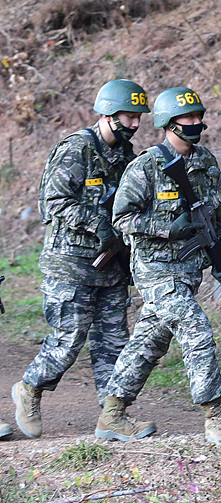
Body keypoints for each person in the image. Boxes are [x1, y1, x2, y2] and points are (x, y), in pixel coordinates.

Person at [97, 87, 221, 445]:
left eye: (197, 117)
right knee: (195, 327)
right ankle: (215, 417)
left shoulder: (206, 162)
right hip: (155, 270)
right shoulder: (146, 166)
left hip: (189, 271)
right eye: (186, 119)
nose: (195, 124)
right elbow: (121, 219)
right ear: (167, 123)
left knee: (148, 342)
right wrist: (166, 229)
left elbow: (215, 216)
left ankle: (112, 415)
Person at [11, 80, 149, 439]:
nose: (134, 124)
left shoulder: (127, 158)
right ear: (107, 113)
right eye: (128, 116)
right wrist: (97, 223)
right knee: (68, 340)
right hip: (70, 264)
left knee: (114, 342)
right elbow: (53, 202)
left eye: (138, 118)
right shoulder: (77, 149)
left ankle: (112, 416)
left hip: (112, 266)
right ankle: (29, 389)